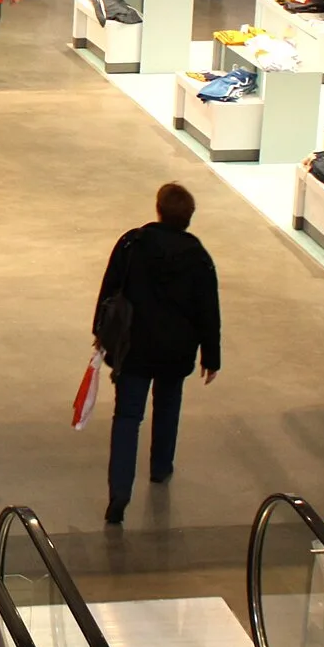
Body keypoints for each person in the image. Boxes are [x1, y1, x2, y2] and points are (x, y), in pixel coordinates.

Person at [93, 182, 222, 526]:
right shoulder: (198, 257)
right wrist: (212, 356)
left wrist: (100, 334)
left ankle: (119, 492)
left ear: (158, 209)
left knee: (127, 418)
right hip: (176, 352)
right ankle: (161, 468)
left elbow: (110, 290)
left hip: (133, 348)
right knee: (167, 407)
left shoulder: (133, 244)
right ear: (188, 219)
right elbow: (209, 309)